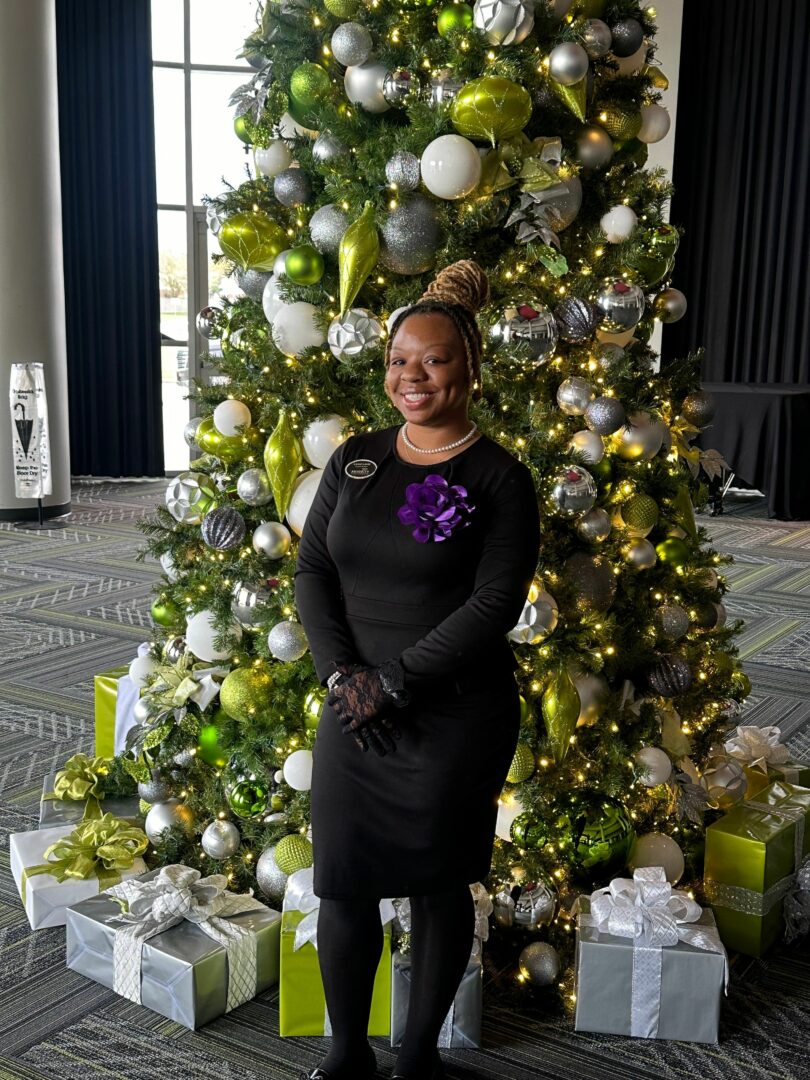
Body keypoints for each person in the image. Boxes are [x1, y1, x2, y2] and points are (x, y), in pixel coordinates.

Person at [293, 259, 541, 1080]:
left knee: (439, 885)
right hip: (353, 708)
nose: (413, 376)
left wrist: (394, 680)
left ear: (470, 367)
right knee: (343, 884)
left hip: (452, 715)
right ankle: (346, 1055)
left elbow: (495, 602)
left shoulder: (501, 477)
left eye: (433, 360)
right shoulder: (355, 460)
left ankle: (418, 1059)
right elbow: (313, 571)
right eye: (400, 359)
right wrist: (343, 677)